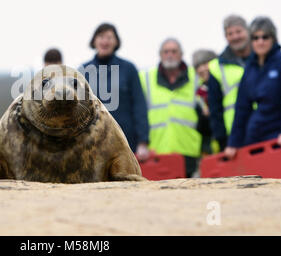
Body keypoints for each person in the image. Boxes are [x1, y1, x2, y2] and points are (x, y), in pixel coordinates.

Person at [80, 23, 149, 160]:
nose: (105, 41)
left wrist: (143, 141)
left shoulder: (129, 69)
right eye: (101, 37)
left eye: (109, 37)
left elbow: (139, 105)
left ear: (116, 42)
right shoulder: (83, 71)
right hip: (92, 142)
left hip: (126, 142)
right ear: (94, 41)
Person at [225, 17, 281, 159]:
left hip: (278, 134)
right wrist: (233, 143)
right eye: (255, 38)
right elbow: (242, 107)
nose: (260, 41)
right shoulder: (250, 68)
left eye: (265, 37)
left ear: (273, 38)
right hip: (255, 133)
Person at [139, 38, 202, 177]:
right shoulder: (145, 78)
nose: (170, 55)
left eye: (174, 51)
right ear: (160, 55)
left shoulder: (196, 77)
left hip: (188, 150)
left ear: (181, 55)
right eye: (166, 51)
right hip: (157, 150)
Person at [208, 15, 252, 152]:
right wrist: (222, 141)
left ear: (247, 31)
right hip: (233, 136)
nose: (235, 37)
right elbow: (215, 109)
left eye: (238, 31)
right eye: (230, 33)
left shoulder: (263, 58)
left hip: (266, 128)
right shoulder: (216, 67)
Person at [192, 49, 218, 155]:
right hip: (208, 147)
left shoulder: (222, 87)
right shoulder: (200, 92)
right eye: (198, 66)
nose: (202, 69)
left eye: (205, 64)